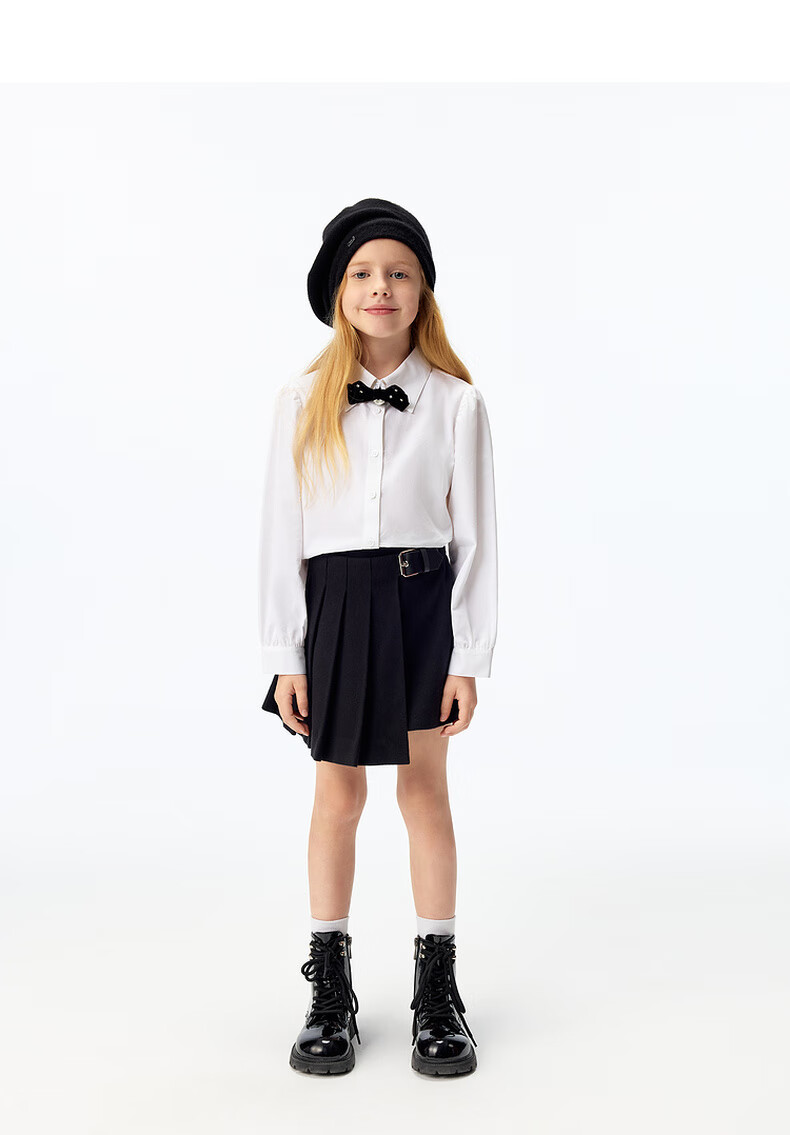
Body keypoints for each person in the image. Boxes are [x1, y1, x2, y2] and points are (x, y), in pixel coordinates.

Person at [258, 198, 498, 1076]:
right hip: (335, 607)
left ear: (422, 288)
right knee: (338, 795)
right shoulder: (299, 400)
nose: (380, 287)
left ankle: (438, 991)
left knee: (424, 792)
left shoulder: (458, 403)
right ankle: (331, 990)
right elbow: (282, 535)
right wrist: (284, 652)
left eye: (398, 272)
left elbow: (475, 539)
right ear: (338, 290)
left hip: (421, 602)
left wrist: (468, 656)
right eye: (362, 273)